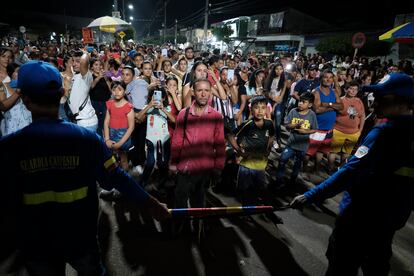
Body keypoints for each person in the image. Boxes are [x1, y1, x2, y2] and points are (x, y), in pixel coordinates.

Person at [0, 61, 170, 276]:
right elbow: (114, 178)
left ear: (25, 100)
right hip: (80, 237)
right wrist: (149, 203)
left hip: (37, 241)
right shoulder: (87, 139)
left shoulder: (10, 148)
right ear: (62, 93)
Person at [290, 73, 414, 276]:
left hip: (359, 218)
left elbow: (350, 172)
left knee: (341, 267)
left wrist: (311, 195)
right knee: (376, 266)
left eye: (383, 97)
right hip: (389, 222)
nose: (375, 103)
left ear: (402, 101)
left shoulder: (385, 133)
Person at [170, 78, 225, 234]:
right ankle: (178, 226)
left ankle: (197, 229)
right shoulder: (184, 114)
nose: (203, 94)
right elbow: (177, 140)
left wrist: (218, 168)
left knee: (199, 203)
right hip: (185, 168)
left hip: (204, 169)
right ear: (193, 93)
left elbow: (219, 144)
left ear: (210, 93)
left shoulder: (216, 116)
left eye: (206, 90)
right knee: (180, 200)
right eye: (200, 90)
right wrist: (173, 164)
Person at [227, 96, 276, 207]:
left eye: (263, 108)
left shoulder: (269, 124)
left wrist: (268, 149)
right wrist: (239, 151)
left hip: (261, 164)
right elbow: (230, 135)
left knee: (263, 189)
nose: (260, 111)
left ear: (266, 110)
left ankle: (268, 211)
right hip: (246, 166)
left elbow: (271, 136)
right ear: (251, 110)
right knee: (245, 190)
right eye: (256, 108)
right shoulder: (247, 124)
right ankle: (246, 212)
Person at [275, 92, 317, 187]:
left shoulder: (312, 115)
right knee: (282, 160)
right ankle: (279, 180)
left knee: (297, 165)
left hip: (303, 146)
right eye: (299, 101)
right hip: (291, 144)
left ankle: (292, 181)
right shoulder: (293, 111)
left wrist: (305, 132)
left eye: (303, 102)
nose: (300, 103)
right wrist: (295, 125)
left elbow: (314, 129)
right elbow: (286, 126)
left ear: (310, 105)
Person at [104, 81, 134, 170]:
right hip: (111, 134)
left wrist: (120, 143)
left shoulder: (128, 107)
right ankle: (113, 180)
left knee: (123, 159)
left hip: (123, 136)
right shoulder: (110, 104)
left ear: (124, 91)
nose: (116, 92)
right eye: (114, 90)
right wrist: (107, 139)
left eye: (120, 90)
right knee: (111, 160)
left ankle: (124, 181)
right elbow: (106, 122)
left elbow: (131, 127)